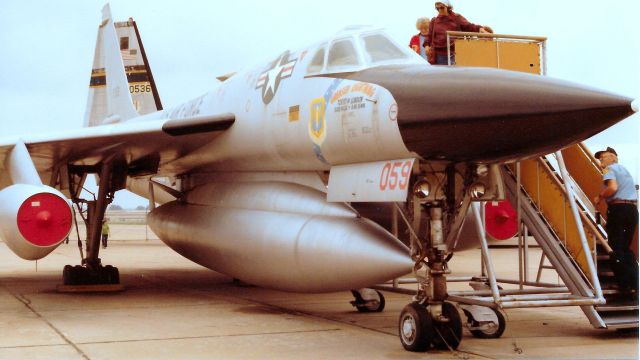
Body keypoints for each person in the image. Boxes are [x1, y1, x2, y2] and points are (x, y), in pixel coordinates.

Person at [593, 147, 639, 295]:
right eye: (600, 159)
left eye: (603, 157)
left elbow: (612, 188)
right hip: (632, 210)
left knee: (616, 248)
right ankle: (635, 283)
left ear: (613, 157)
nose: (601, 161)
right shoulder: (624, 170)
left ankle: (624, 285)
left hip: (618, 209)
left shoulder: (608, 170)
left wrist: (599, 197)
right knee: (626, 248)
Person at [425, 0, 491, 65]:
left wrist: (481, 29)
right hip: (438, 55)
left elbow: (469, 26)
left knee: (454, 75)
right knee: (440, 75)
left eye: (442, 8)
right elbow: (429, 36)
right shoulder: (434, 21)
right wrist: (427, 46)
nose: (439, 10)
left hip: (455, 53)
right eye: (437, 8)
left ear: (448, 7)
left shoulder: (456, 18)